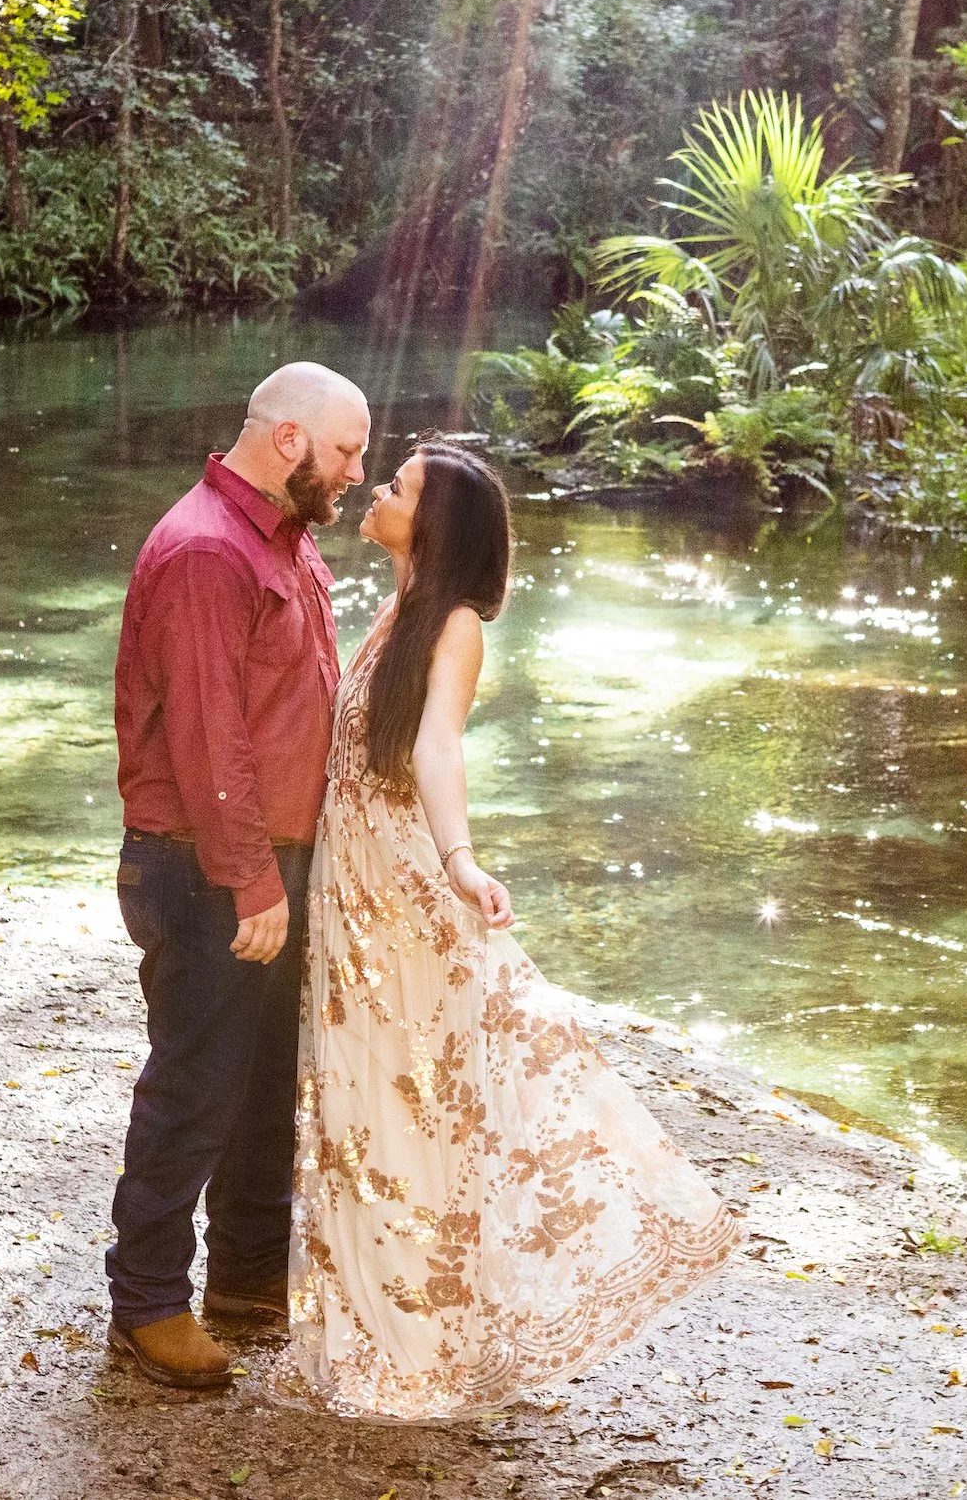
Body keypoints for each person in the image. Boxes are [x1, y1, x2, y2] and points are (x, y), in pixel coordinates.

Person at [287, 439, 736, 1418]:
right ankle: (373, 1331)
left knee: (411, 1113)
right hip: (352, 894)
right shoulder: (395, 612)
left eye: (397, 487)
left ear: (433, 524)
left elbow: (438, 746)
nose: (377, 490)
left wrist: (459, 861)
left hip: (403, 896)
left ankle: (421, 1349)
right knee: (359, 1108)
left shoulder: (450, 627)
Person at [105, 361, 372, 1389]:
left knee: (264, 1081)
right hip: (204, 865)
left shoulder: (283, 540)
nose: (358, 470)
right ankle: (147, 1305)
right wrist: (254, 882)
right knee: (196, 1081)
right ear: (293, 440)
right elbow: (211, 749)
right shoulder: (207, 553)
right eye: (348, 450)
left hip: (270, 859)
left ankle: (250, 1274)